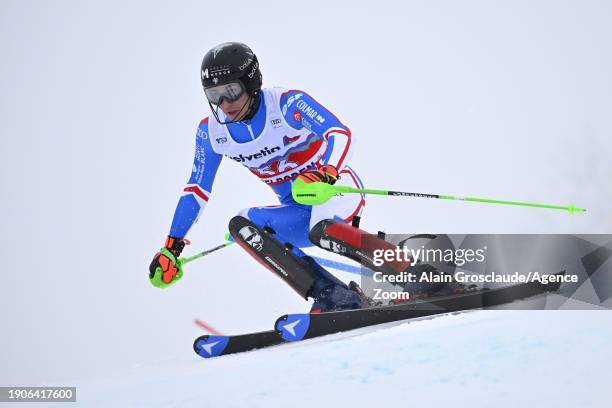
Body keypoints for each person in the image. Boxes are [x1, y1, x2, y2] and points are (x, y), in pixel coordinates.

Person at [148, 42, 450, 312]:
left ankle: (418, 275)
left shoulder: (287, 104)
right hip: (297, 209)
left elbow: (340, 135)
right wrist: (172, 245)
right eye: (216, 96)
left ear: (250, 82)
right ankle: (334, 296)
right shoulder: (211, 133)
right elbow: (196, 190)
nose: (225, 105)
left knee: (323, 227)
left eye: (231, 91)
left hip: (336, 190)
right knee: (243, 226)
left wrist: (327, 173)